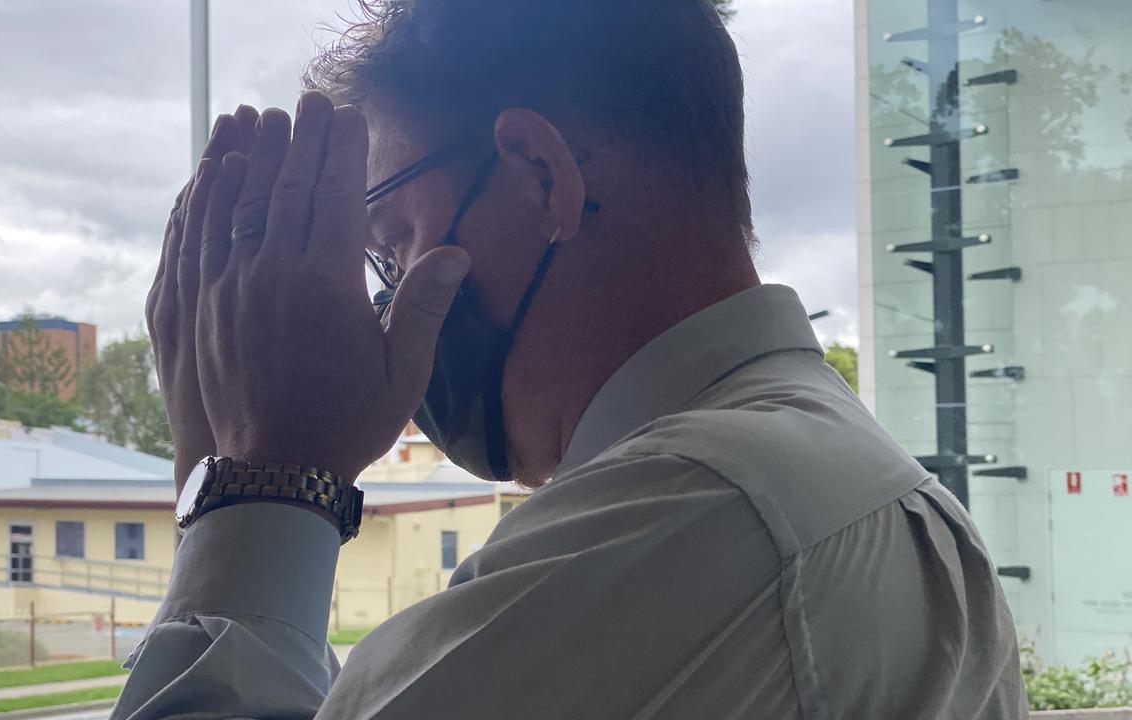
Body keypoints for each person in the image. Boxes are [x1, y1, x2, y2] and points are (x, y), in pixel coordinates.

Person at [115, 1, 1029, 718]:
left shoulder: (695, 513)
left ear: (541, 176)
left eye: (391, 245)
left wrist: (266, 478)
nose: (383, 301)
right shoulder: (825, 475)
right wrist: (224, 465)